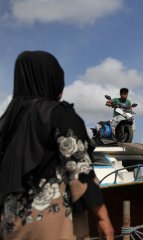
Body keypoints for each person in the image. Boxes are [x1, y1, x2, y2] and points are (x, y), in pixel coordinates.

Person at [0, 51, 114, 239]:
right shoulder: (61, 115)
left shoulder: (6, 123)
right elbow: (80, 172)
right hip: (54, 225)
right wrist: (103, 219)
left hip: (11, 226)